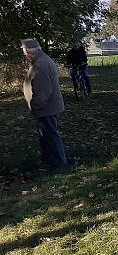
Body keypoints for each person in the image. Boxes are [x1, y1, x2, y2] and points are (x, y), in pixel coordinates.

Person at [21, 38, 68, 169]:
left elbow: (42, 93)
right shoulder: (42, 60)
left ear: (29, 51)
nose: (24, 54)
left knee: (50, 136)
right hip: (47, 107)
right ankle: (49, 161)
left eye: (24, 51)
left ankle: (58, 163)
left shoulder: (40, 65)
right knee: (46, 135)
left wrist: (35, 107)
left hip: (46, 107)